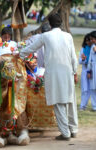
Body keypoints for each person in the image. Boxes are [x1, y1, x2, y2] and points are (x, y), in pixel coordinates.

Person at [19, 13, 78, 141]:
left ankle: (65, 133)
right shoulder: (68, 36)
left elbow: (31, 48)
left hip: (54, 73)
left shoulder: (46, 36)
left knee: (59, 102)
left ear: (50, 24)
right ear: (61, 23)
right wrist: (75, 71)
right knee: (70, 100)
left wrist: (19, 54)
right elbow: (74, 57)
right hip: (68, 71)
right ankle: (73, 130)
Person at [79, 33, 94, 111]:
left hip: (93, 71)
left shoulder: (94, 48)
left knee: (93, 89)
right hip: (85, 71)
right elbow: (80, 61)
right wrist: (84, 59)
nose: (88, 42)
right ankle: (82, 105)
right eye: (87, 40)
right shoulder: (83, 49)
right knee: (85, 89)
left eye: (90, 40)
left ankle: (94, 105)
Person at [87, 31, 96, 111]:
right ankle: (94, 106)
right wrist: (89, 71)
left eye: (93, 39)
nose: (92, 40)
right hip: (93, 69)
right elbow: (90, 59)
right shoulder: (92, 46)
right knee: (93, 88)